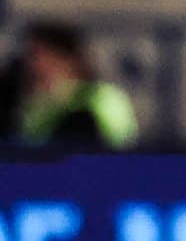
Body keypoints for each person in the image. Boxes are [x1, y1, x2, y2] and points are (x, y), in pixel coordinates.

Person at [10, 23, 140, 149]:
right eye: (31, 57)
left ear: (68, 58)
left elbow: (121, 143)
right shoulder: (34, 108)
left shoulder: (106, 98)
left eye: (43, 55)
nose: (35, 65)